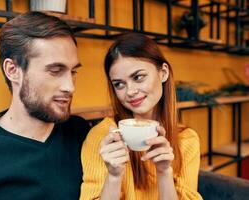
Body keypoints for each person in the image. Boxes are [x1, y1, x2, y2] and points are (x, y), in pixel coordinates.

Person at [0, 11, 90, 200]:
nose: (70, 87)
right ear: (13, 70)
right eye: (55, 71)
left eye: (73, 71)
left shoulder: (79, 132)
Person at [80, 33, 202, 200]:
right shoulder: (102, 138)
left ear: (163, 73)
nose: (130, 92)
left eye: (138, 77)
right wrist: (114, 177)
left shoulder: (186, 139)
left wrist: (164, 172)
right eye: (119, 84)